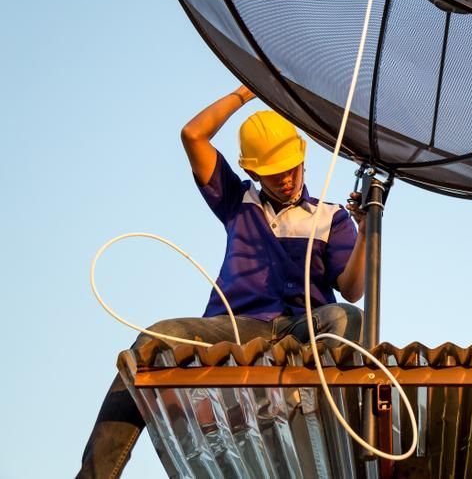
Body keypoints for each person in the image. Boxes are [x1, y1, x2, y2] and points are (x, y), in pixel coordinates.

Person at [78, 85, 366, 479]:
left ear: (304, 159)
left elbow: (352, 288)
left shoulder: (331, 217)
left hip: (303, 329)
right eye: (273, 173)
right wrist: (248, 90)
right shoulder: (237, 199)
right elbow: (193, 135)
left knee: (347, 317)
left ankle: (316, 412)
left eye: (291, 169)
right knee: (152, 341)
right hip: (237, 325)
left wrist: (367, 234)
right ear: (251, 171)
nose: (285, 180)